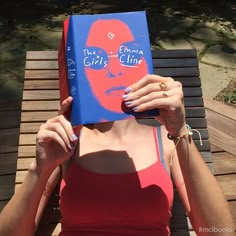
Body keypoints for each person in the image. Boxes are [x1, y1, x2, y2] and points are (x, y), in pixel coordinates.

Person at [0, 74, 234, 236]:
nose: (110, 74)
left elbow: (219, 231)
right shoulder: (68, 141)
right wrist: (39, 168)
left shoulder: (167, 139)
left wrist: (180, 130)